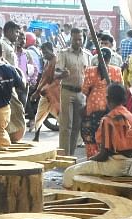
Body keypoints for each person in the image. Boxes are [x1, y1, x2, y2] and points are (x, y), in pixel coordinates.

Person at [63, 83, 132, 188]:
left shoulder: (108, 119)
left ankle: (72, 197)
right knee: (84, 166)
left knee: (69, 172)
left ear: (107, 98)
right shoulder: (129, 115)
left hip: (115, 167)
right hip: (131, 164)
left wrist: (89, 160)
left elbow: (104, 155)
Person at [79, 48, 121, 157]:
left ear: (97, 58)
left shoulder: (90, 71)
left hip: (93, 108)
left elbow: (84, 90)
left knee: (91, 137)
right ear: (110, 58)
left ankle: (92, 159)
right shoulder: (116, 71)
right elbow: (121, 89)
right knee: (107, 136)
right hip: (110, 108)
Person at [55, 27, 89, 156]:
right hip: (67, 91)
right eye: (75, 39)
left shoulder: (86, 55)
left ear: (83, 39)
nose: (78, 42)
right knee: (66, 126)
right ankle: (64, 156)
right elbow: (56, 72)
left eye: (80, 39)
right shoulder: (64, 54)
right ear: (71, 39)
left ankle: (71, 155)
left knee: (76, 126)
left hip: (81, 93)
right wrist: (62, 74)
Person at [31, 41, 58, 142]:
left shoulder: (56, 61)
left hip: (55, 93)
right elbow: (44, 78)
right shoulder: (48, 61)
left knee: (61, 116)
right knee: (40, 114)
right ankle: (36, 137)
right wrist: (38, 91)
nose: (44, 55)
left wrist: (38, 91)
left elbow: (54, 78)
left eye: (46, 52)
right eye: (43, 53)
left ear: (51, 50)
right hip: (45, 93)